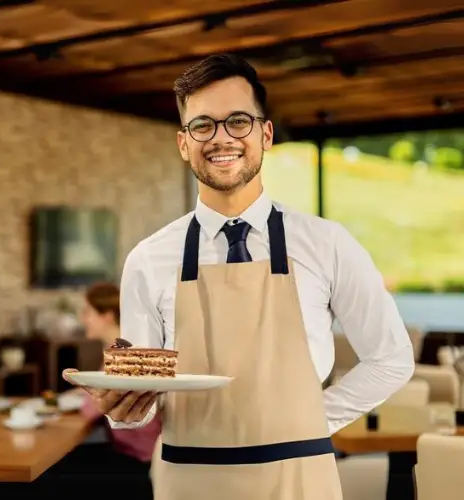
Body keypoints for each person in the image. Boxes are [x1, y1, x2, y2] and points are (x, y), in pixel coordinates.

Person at [65, 54, 415, 500]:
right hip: (189, 480)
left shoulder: (327, 243)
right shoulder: (148, 259)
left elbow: (391, 358)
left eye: (238, 121)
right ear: (183, 142)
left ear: (264, 134)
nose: (221, 138)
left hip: (298, 477)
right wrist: (121, 410)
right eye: (203, 125)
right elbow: (138, 397)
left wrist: (311, 422)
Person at [48, 283, 158, 496]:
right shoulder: (123, 345)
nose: (83, 319)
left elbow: (91, 409)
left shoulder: (123, 354)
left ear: (107, 315)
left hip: (138, 462)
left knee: (53, 472)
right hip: (133, 454)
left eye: (87, 312)